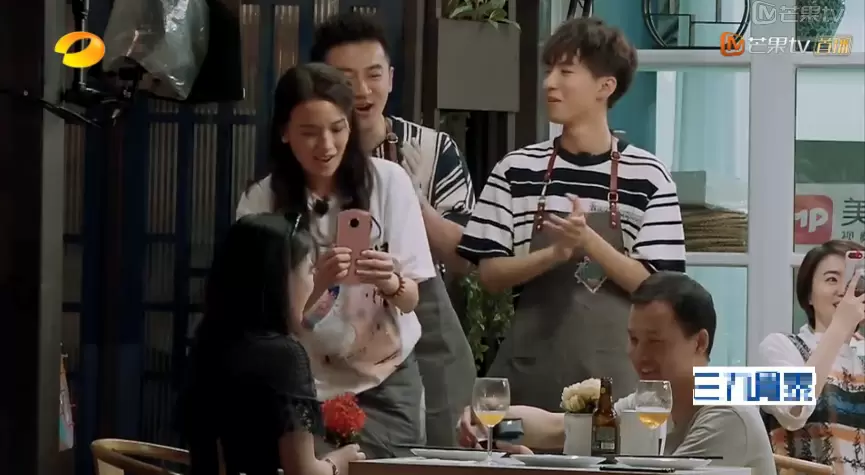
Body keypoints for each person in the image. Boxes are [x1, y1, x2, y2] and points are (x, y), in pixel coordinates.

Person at [456, 17, 686, 409]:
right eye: (549, 71)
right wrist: (554, 254)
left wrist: (590, 243)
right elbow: (490, 274)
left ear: (605, 86)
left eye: (565, 72)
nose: (549, 83)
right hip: (528, 378)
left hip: (618, 384)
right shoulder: (517, 169)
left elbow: (658, 287)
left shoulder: (648, 175)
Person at [235, 63, 436, 458]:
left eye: (338, 129)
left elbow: (412, 299)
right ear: (284, 132)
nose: (325, 145)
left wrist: (391, 282)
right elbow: (262, 321)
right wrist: (319, 288)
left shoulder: (389, 181)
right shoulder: (261, 201)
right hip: (300, 384)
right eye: (309, 132)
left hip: (386, 380)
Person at [310, 11, 477, 446]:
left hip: (424, 319)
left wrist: (405, 197)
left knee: (439, 447)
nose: (363, 91)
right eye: (346, 79)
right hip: (329, 336)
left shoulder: (432, 150)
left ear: (391, 77)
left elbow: (466, 254)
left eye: (374, 74)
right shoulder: (308, 157)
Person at [459, 271, 777, 473]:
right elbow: (560, 429)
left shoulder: (725, 412)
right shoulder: (650, 402)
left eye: (655, 342)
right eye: (634, 340)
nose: (639, 355)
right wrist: (490, 425)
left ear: (700, 342)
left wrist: (533, 465)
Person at [178, 213, 365, 475]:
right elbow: (303, 472)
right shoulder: (285, 356)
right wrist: (339, 462)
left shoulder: (206, 342)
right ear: (279, 279)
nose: (314, 282)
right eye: (310, 271)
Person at [759, 240, 865, 474]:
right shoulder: (779, 347)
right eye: (832, 279)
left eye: (853, 279)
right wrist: (839, 328)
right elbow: (792, 414)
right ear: (808, 295)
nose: (844, 290)